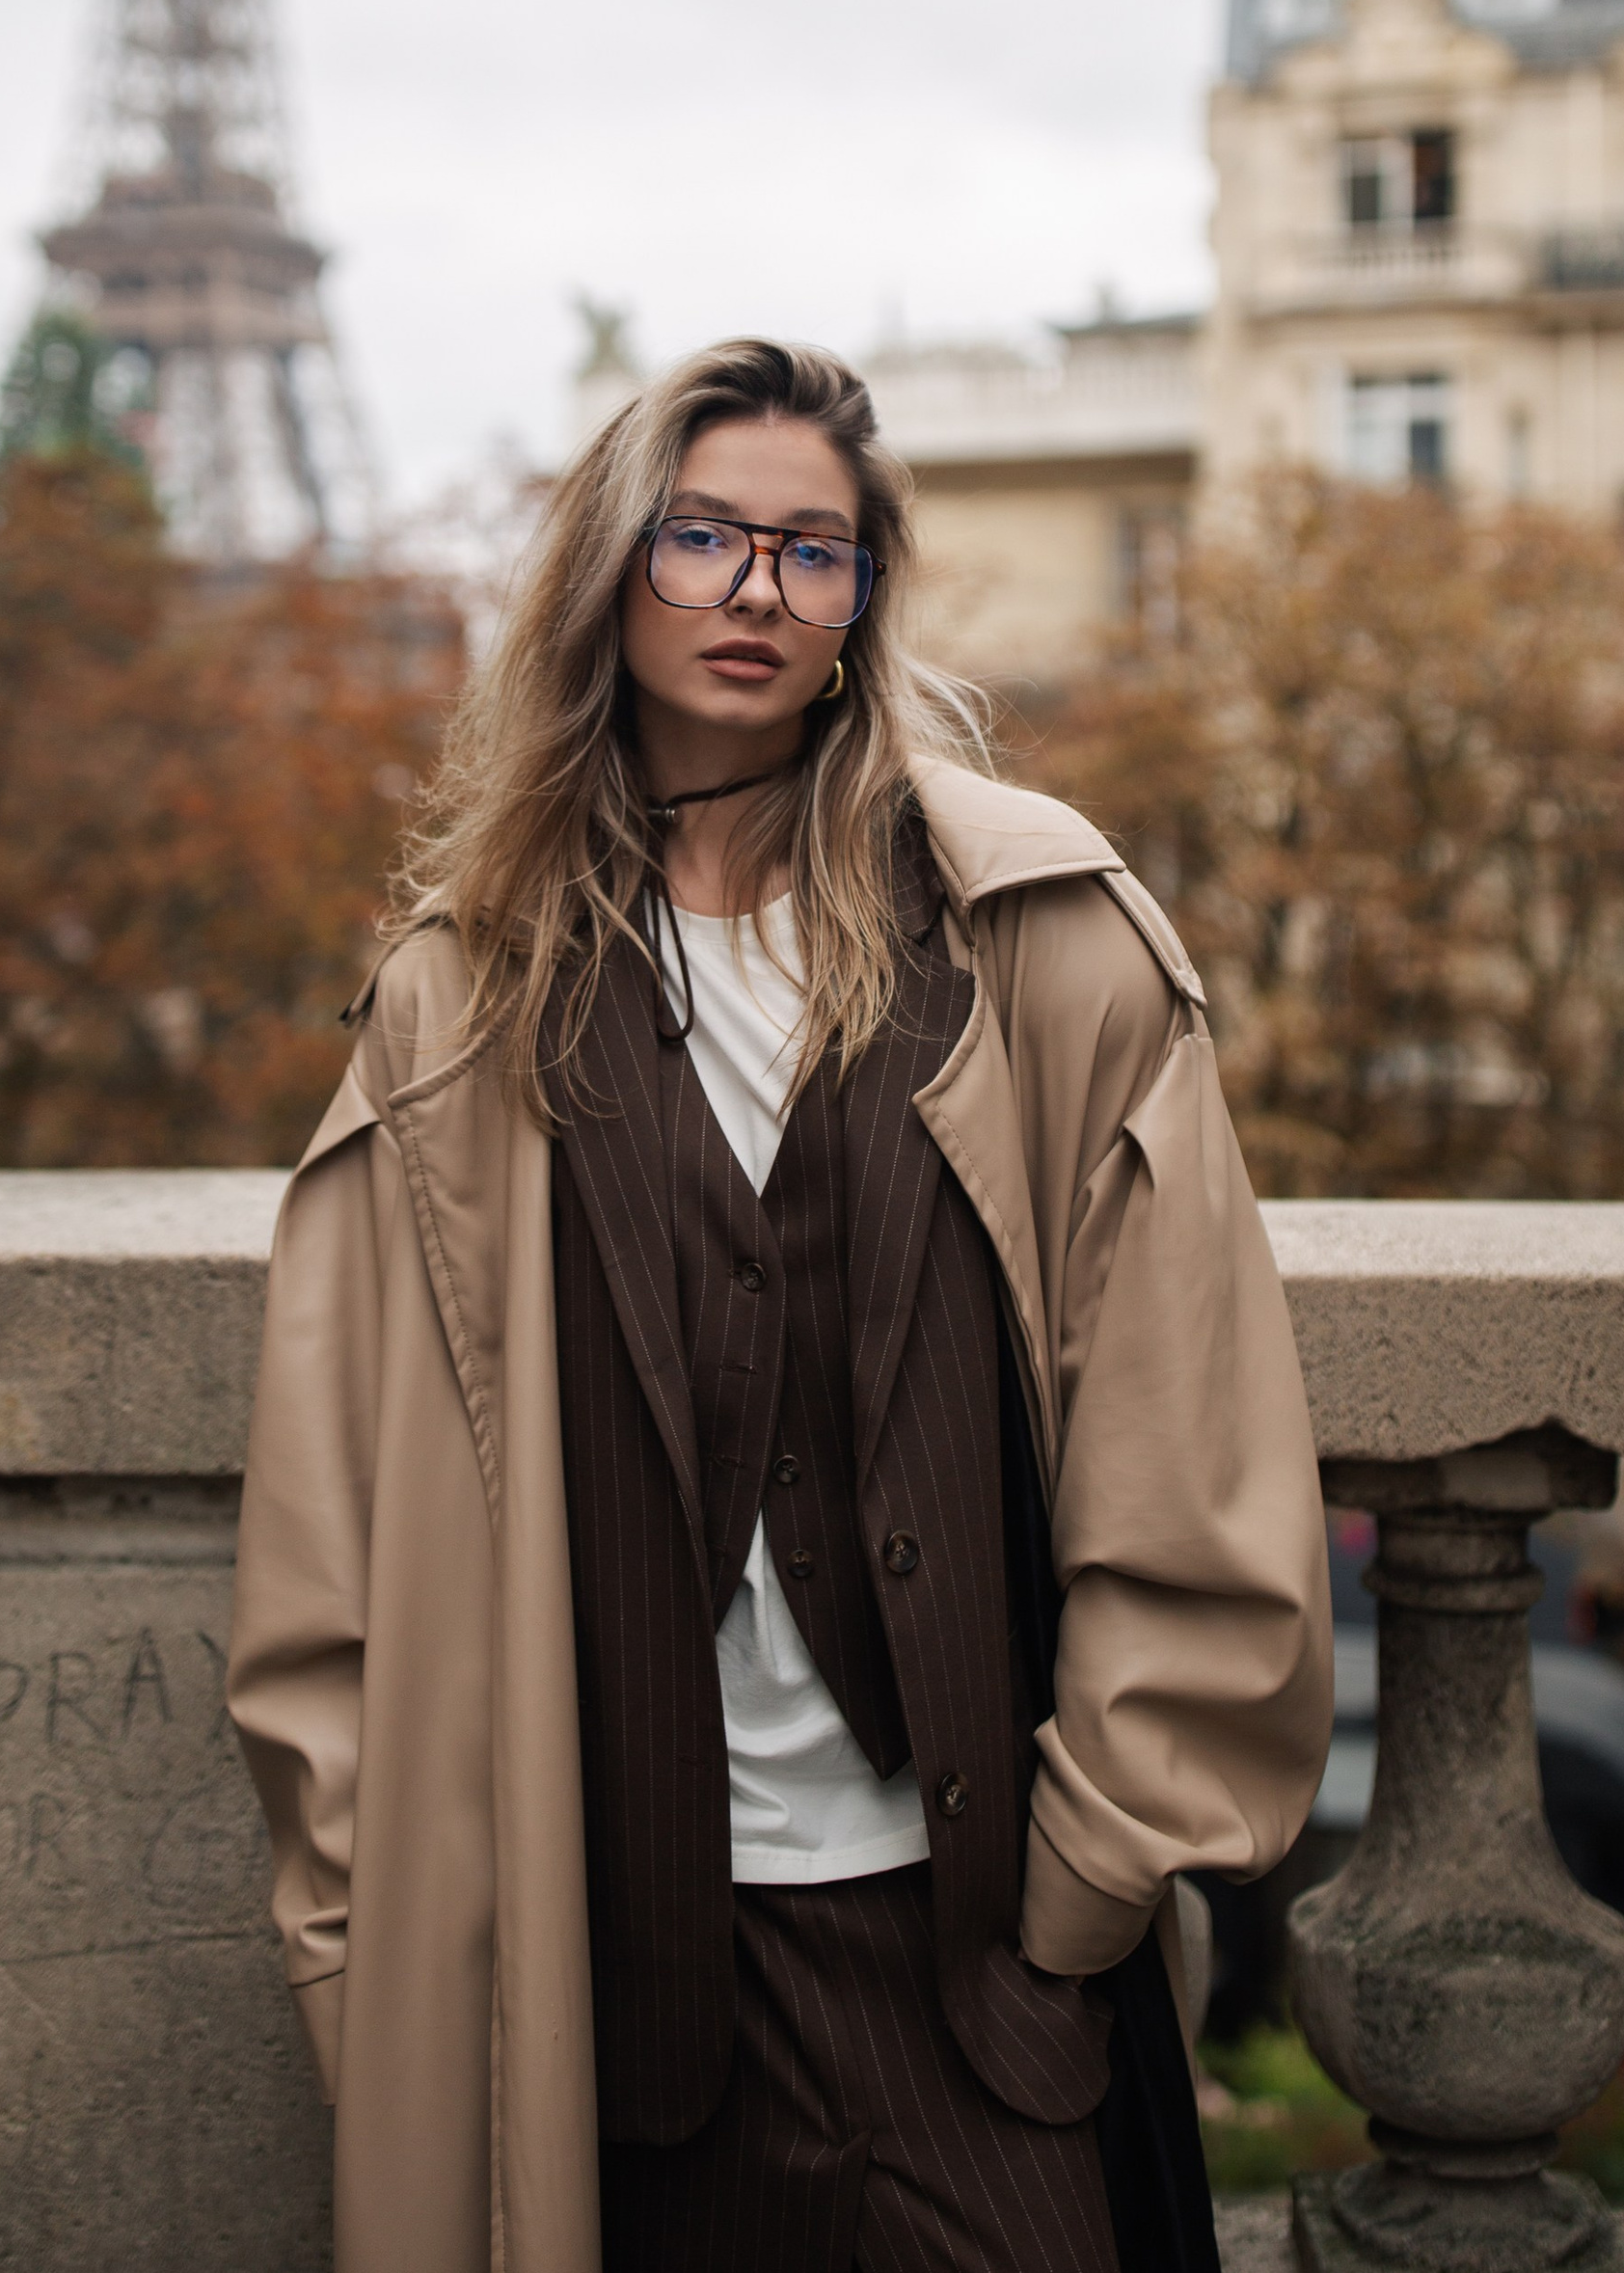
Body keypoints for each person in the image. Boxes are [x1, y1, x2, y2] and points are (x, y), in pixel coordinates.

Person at [228, 338, 1332, 2273]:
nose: (757, 587)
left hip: (975, 1960)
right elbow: (326, 1549)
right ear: (608, 570)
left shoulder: (1037, 944)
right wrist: (375, 1956)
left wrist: (1087, 1884)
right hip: (612, 1982)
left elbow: (1195, 1432)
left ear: (862, 605)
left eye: (814, 551)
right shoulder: (460, 1000)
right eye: (706, 534)